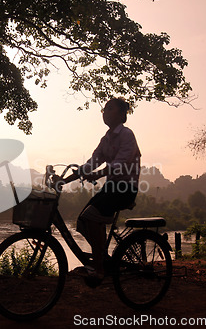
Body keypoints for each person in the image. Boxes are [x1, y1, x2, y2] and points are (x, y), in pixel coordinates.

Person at [64, 97, 141, 282]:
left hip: (125, 188)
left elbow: (120, 164)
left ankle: (99, 269)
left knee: (91, 216)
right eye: (104, 109)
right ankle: (103, 257)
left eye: (110, 108)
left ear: (122, 114)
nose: (105, 112)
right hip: (111, 187)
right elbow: (92, 163)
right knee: (83, 221)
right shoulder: (105, 139)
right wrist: (64, 180)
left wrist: (97, 174)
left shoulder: (126, 135)